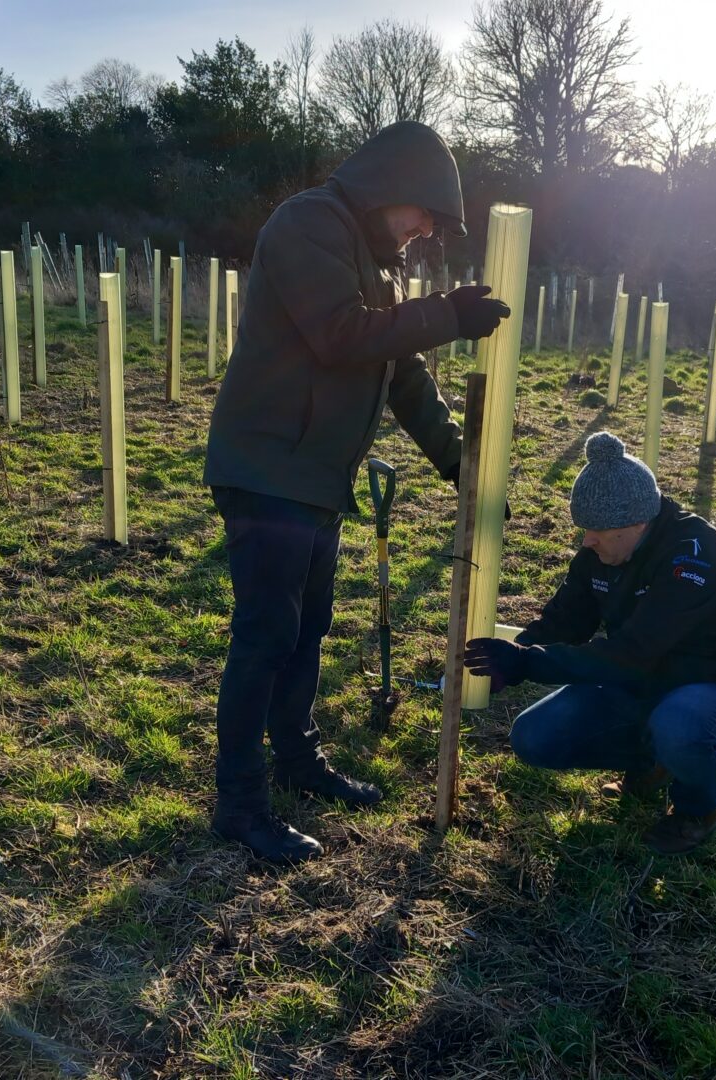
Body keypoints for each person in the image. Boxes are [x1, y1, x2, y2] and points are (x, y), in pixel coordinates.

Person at [203, 121, 511, 865]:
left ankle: (298, 762)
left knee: (306, 630)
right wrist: (445, 315)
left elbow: (401, 373)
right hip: (268, 467)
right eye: (425, 213)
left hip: (314, 479)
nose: (427, 231)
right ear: (388, 189)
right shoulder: (308, 223)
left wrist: (459, 464)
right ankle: (240, 803)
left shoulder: (378, 264)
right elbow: (341, 336)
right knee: (268, 635)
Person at [463, 431, 716, 855]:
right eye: (585, 529)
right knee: (534, 736)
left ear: (638, 523)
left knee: (680, 726)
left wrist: (528, 663)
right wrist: (506, 659)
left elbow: (635, 652)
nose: (587, 540)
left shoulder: (694, 555)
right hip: (637, 685)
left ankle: (696, 810)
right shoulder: (601, 553)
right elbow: (565, 620)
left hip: (709, 691)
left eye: (597, 530)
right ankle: (648, 762)